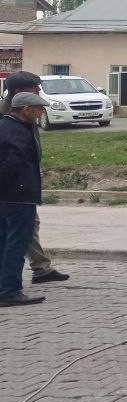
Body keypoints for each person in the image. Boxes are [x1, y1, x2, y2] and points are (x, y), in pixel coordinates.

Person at [1, 72, 69, 286]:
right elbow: (12, 159)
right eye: (34, 87)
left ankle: (40, 268)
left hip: (22, 184)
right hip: (13, 189)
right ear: (20, 92)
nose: (39, 90)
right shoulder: (10, 118)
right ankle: (12, 285)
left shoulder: (27, 114)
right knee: (17, 235)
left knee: (26, 227)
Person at [0, 92, 52, 306]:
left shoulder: (4, 125)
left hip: (6, 196)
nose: (41, 113)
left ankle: (4, 288)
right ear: (26, 110)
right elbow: (14, 163)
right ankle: (10, 290)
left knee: (4, 241)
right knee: (17, 243)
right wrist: (16, 186)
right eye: (38, 109)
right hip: (18, 196)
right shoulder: (18, 130)